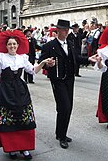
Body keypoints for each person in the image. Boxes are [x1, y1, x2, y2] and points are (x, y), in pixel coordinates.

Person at [0, 27, 54, 160]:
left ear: (18, 45)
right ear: (6, 46)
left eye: (14, 44)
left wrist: (42, 62)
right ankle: (11, 148)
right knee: (8, 119)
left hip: (20, 90)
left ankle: (24, 148)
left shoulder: (22, 58)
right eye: (9, 44)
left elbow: (33, 70)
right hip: (5, 90)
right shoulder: (1, 57)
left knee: (23, 118)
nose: (12, 46)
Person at [39, 19, 97, 149]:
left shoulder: (70, 43)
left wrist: (88, 59)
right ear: (58, 30)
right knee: (63, 106)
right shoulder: (50, 45)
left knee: (68, 107)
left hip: (69, 79)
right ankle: (61, 135)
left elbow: (76, 58)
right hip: (58, 79)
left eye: (67, 30)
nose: (66, 32)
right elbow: (42, 60)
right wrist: (48, 64)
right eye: (64, 30)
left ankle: (61, 133)